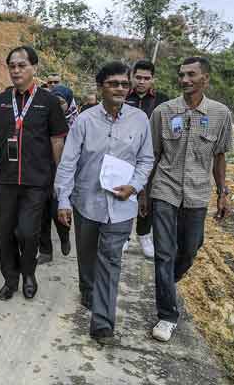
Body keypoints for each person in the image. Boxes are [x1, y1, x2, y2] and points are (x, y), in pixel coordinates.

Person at [55, 61, 154, 345]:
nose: (120, 88)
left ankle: (103, 323)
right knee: (87, 258)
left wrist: (134, 186)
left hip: (122, 207)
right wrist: (63, 199)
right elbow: (69, 161)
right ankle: (88, 290)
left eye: (125, 84)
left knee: (111, 260)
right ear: (101, 87)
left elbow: (146, 160)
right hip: (87, 203)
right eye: (114, 83)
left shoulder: (139, 120)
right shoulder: (85, 120)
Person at [147, 56, 233, 342]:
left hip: (197, 194)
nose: (184, 80)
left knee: (190, 249)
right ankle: (167, 315)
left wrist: (223, 194)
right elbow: (152, 156)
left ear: (205, 78)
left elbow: (219, 156)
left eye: (191, 75)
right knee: (164, 252)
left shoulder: (220, 114)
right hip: (164, 190)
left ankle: (166, 283)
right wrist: (144, 194)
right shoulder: (163, 111)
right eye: (182, 74)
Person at [0, 46, 68, 300]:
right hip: (5, 178)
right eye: (12, 66)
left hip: (37, 180)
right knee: (5, 232)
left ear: (34, 68)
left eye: (21, 65)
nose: (16, 70)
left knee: (27, 231)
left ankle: (29, 272)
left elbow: (57, 140)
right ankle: (11, 280)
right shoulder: (2, 101)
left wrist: (59, 176)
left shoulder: (48, 102)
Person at [123, 59, 169, 258]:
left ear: (153, 79)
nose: (142, 81)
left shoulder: (163, 100)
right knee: (123, 193)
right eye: (138, 77)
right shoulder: (122, 94)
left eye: (146, 78)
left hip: (152, 156)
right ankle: (124, 235)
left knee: (148, 195)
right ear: (131, 77)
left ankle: (143, 235)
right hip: (124, 155)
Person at [38, 84, 78, 264]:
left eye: (61, 101)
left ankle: (64, 236)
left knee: (58, 211)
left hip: (65, 175)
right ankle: (45, 251)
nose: (57, 105)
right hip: (41, 173)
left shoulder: (77, 125)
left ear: (68, 103)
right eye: (54, 101)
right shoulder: (41, 119)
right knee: (41, 214)